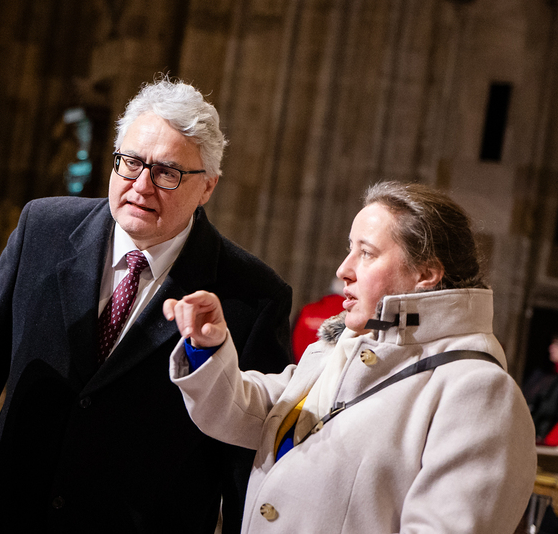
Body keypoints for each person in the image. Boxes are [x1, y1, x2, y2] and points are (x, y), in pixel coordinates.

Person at [0, 78, 293, 534]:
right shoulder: (44, 229)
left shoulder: (252, 296)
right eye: (131, 162)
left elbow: (246, 452)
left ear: (207, 187)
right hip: (17, 510)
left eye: (167, 172)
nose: (141, 185)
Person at [165, 181, 537, 534]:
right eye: (349, 249)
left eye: (366, 253)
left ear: (426, 273)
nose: (343, 270)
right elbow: (250, 410)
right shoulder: (344, 349)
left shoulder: (478, 392)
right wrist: (208, 347)